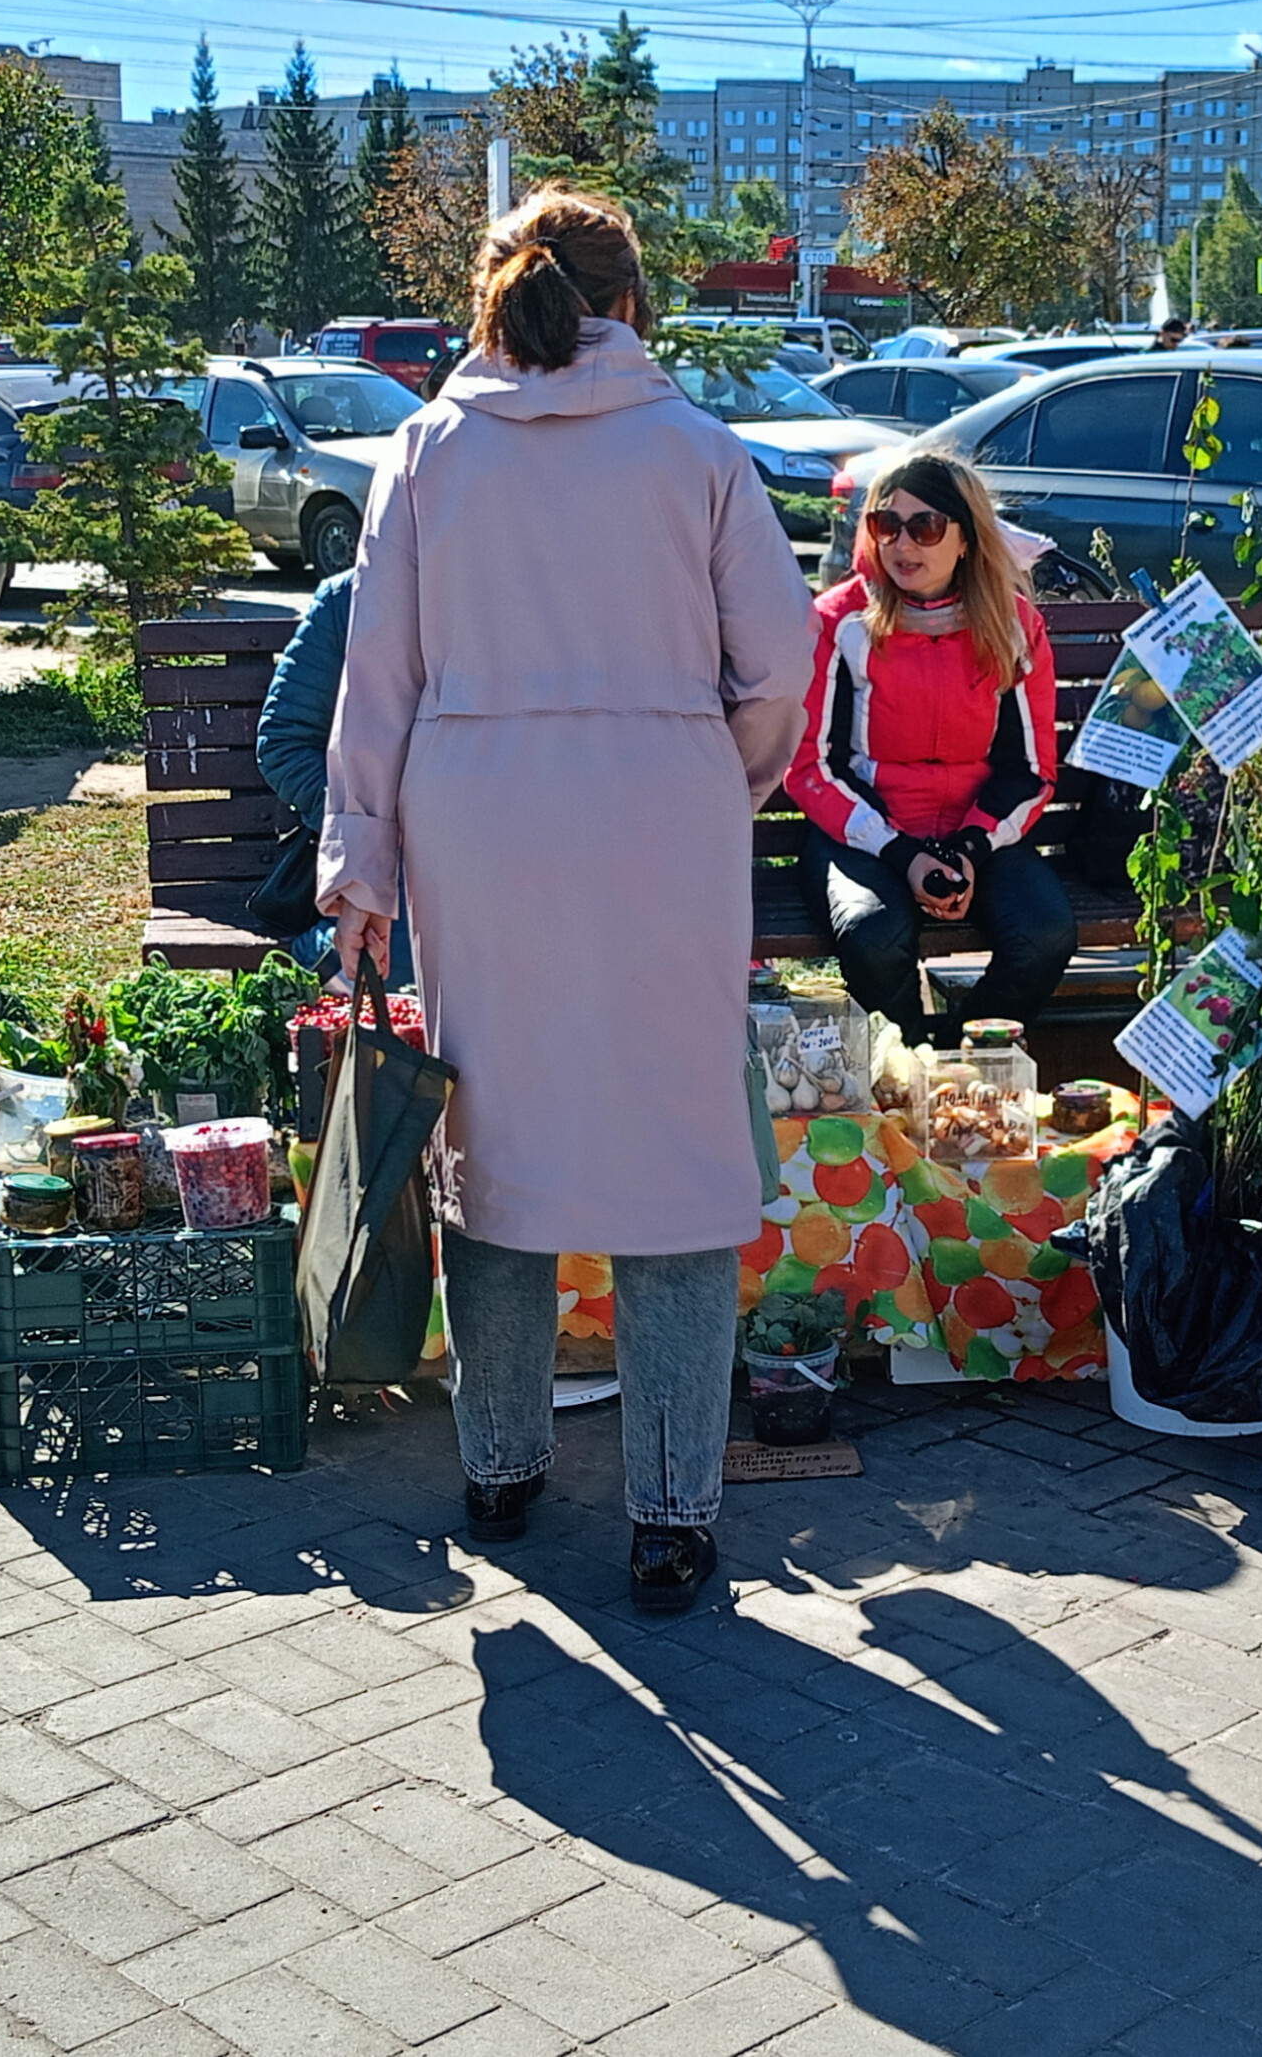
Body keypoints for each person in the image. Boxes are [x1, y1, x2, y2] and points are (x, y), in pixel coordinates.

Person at [318, 190, 816, 1614]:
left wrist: (362, 861)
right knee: (675, 1160)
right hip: (664, 816)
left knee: (499, 1148)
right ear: (634, 301)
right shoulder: (699, 452)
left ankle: (502, 1466)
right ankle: (672, 1511)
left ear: (494, 301)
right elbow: (779, 663)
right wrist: (715, 772)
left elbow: (380, 679)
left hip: (480, 830)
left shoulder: (426, 452)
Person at [787, 453, 1072, 1044]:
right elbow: (812, 767)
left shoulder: (1013, 625)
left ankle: (962, 1061)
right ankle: (909, 1068)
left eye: (926, 527)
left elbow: (1032, 769)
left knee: (1045, 934)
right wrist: (903, 854)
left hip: (978, 831)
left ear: (967, 538)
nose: (902, 544)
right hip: (863, 833)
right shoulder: (841, 623)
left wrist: (968, 848)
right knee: (874, 937)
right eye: (885, 525)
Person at [250, 568, 408, 982]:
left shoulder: (506, 595)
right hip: (383, 879)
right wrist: (367, 825)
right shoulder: (346, 599)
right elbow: (284, 745)